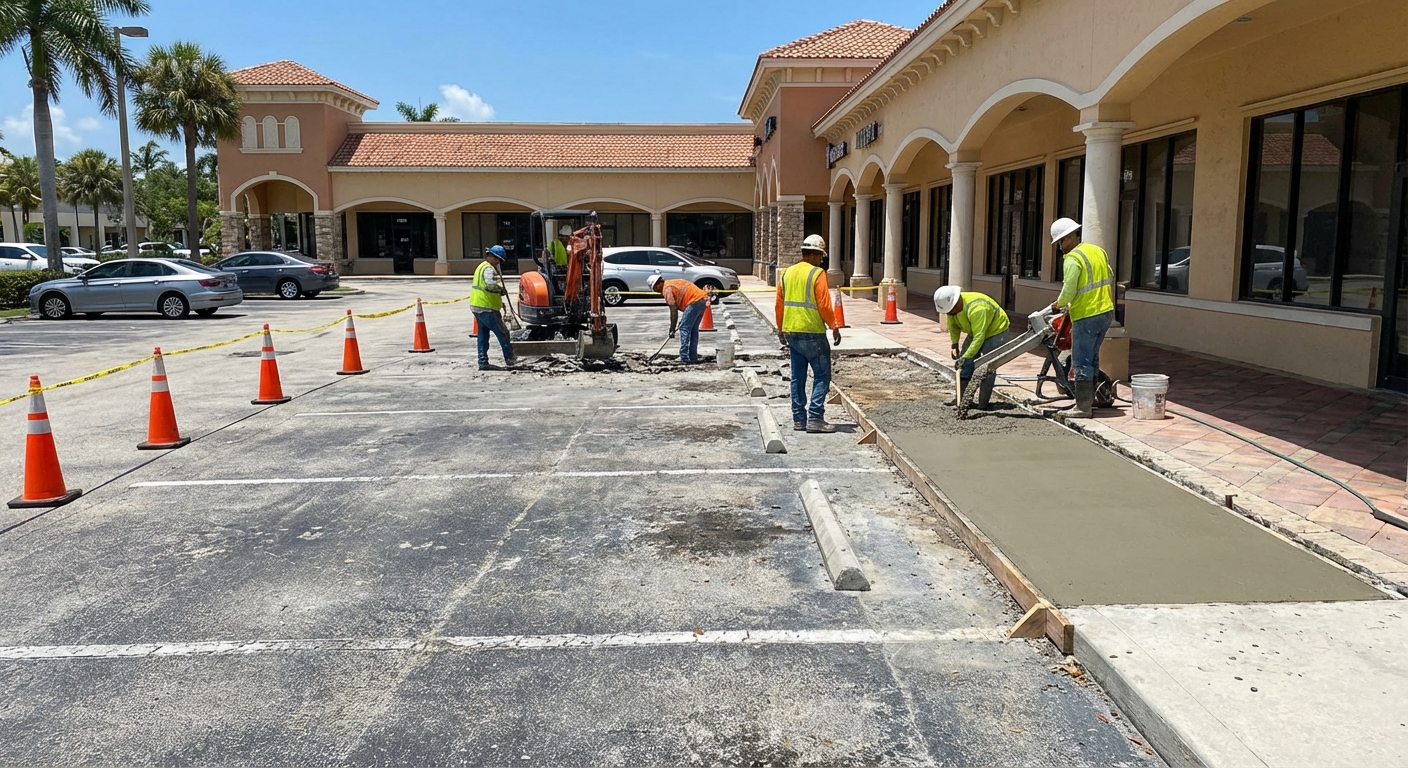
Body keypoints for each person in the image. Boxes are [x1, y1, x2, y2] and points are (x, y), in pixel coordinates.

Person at [1048, 217, 1115, 418]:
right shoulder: (1097, 251)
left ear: (1070, 236)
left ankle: (1083, 407)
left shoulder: (1073, 259)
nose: (1060, 246)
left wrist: (1058, 304)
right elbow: (1109, 276)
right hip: (1105, 313)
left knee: (1081, 361)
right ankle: (1093, 399)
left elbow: (1068, 291)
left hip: (1087, 315)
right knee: (1093, 357)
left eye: (1061, 241)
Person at [775, 234, 842, 433]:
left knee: (798, 378)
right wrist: (834, 325)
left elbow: (779, 304)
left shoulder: (786, 273)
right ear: (814, 255)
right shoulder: (817, 273)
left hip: (792, 333)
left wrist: (780, 328)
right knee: (822, 376)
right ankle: (815, 417)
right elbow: (823, 304)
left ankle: (798, 419)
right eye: (821, 256)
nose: (821, 260)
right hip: (813, 332)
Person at [934, 285, 1010, 411]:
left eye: (951, 310)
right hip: (976, 331)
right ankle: (963, 402)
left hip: (996, 330)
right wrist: (954, 344)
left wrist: (965, 357)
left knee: (987, 366)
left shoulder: (977, 308)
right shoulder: (952, 310)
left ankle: (983, 405)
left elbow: (979, 337)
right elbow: (953, 326)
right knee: (964, 365)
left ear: (957, 302)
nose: (950, 313)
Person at [471, 245, 517, 371]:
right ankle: (510, 359)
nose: (498, 262)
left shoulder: (481, 266)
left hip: (478, 306)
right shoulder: (488, 269)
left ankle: (483, 361)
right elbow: (491, 285)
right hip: (487, 307)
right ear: (490, 256)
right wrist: (501, 290)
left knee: (483, 335)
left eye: (500, 260)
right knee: (503, 333)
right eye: (497, 259)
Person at [647, 274, 709, 363]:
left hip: (694, 301)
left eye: (654, 288)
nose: (656, 291)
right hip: (701, 299)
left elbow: (673, 310)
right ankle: (693, 358)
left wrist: (672, 328)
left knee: (684, 328)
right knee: (693, 330)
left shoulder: (666, 289)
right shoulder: (671, 283)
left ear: (658, 284)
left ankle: (684, 357)